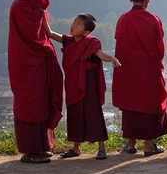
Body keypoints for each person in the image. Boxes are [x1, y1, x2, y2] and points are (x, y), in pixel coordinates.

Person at [43, 13, 121, 160]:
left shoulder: (90, 43)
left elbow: (100, 55)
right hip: (73, 84)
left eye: (78, 25)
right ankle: (76, 147)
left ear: (86, 32)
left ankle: (102, 148)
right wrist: (41, 14)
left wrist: (111, 58)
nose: (73, 26)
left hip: (88, 85)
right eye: (74, 22)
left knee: (94, 114)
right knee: (75, 114)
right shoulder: (68, 41)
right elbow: (50, 33)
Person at [8, 0, 63, 163]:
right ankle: (31, 150)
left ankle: (43, 146)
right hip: (27, 63)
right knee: (32, 103)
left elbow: (44, 33)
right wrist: (48, 48)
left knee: (44, 100)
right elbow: (33, 38)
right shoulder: (22, 4)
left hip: (40, 61)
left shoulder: (37, 2)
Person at [112, 0, 167, 156]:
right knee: (149, 104)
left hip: (127, 71)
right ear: (148, 0)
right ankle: (149, 145)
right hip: (147, 71)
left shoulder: (123, 19)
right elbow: (159, 49)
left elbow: (120, 46)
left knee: (131, 104)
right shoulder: (153, 20)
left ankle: (130, 144)